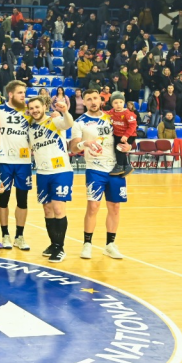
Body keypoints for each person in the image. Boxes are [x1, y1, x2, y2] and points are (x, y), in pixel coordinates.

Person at [71, 88, 128, 260]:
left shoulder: (111, 117)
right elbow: (73, 147)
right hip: (95, 168)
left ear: (101, 100)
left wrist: (129, 146)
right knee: (93, 206)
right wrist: (85, 144)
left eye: (95, 98)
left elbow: (125, 137)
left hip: (116, 169)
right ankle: (87, 244)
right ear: (84, 102)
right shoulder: (79, 122)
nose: (93, 102)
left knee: (115, 207)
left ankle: (110, 245)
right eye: (89, 99)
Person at [27, 95, 75, 262]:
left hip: (61, 171)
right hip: (42, 172)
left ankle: (60, 248)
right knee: (47, 210)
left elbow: (68, 124)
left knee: (58, 209)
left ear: (44, 107)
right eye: (31, 108)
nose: (34, 110)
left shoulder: (54, 120)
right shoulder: (31, 128)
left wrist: (65, 112)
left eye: (37, 107)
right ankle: (54, 244)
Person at [0, 81, 33, 251]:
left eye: (24, 92)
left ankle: (19, 236)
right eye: (20, 92)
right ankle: (5, 234)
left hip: (24, 162)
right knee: (3, 199)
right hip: (4, 161)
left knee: (22, 200)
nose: (23, 95)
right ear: (10, 94)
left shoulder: (29, 111)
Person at [106, 93, 137, 176]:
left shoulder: (128, 113)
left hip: (128, 135)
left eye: (121, 102)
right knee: (118, 151)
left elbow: (133, 126)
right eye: (115, 103)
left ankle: (119, 166)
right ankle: (126, 166)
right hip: (117, 134)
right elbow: (105, 113)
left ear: (124, 103)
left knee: (120, 149)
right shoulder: (111, 112)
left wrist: (126, 135)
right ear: (112, 104)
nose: (118, 105)